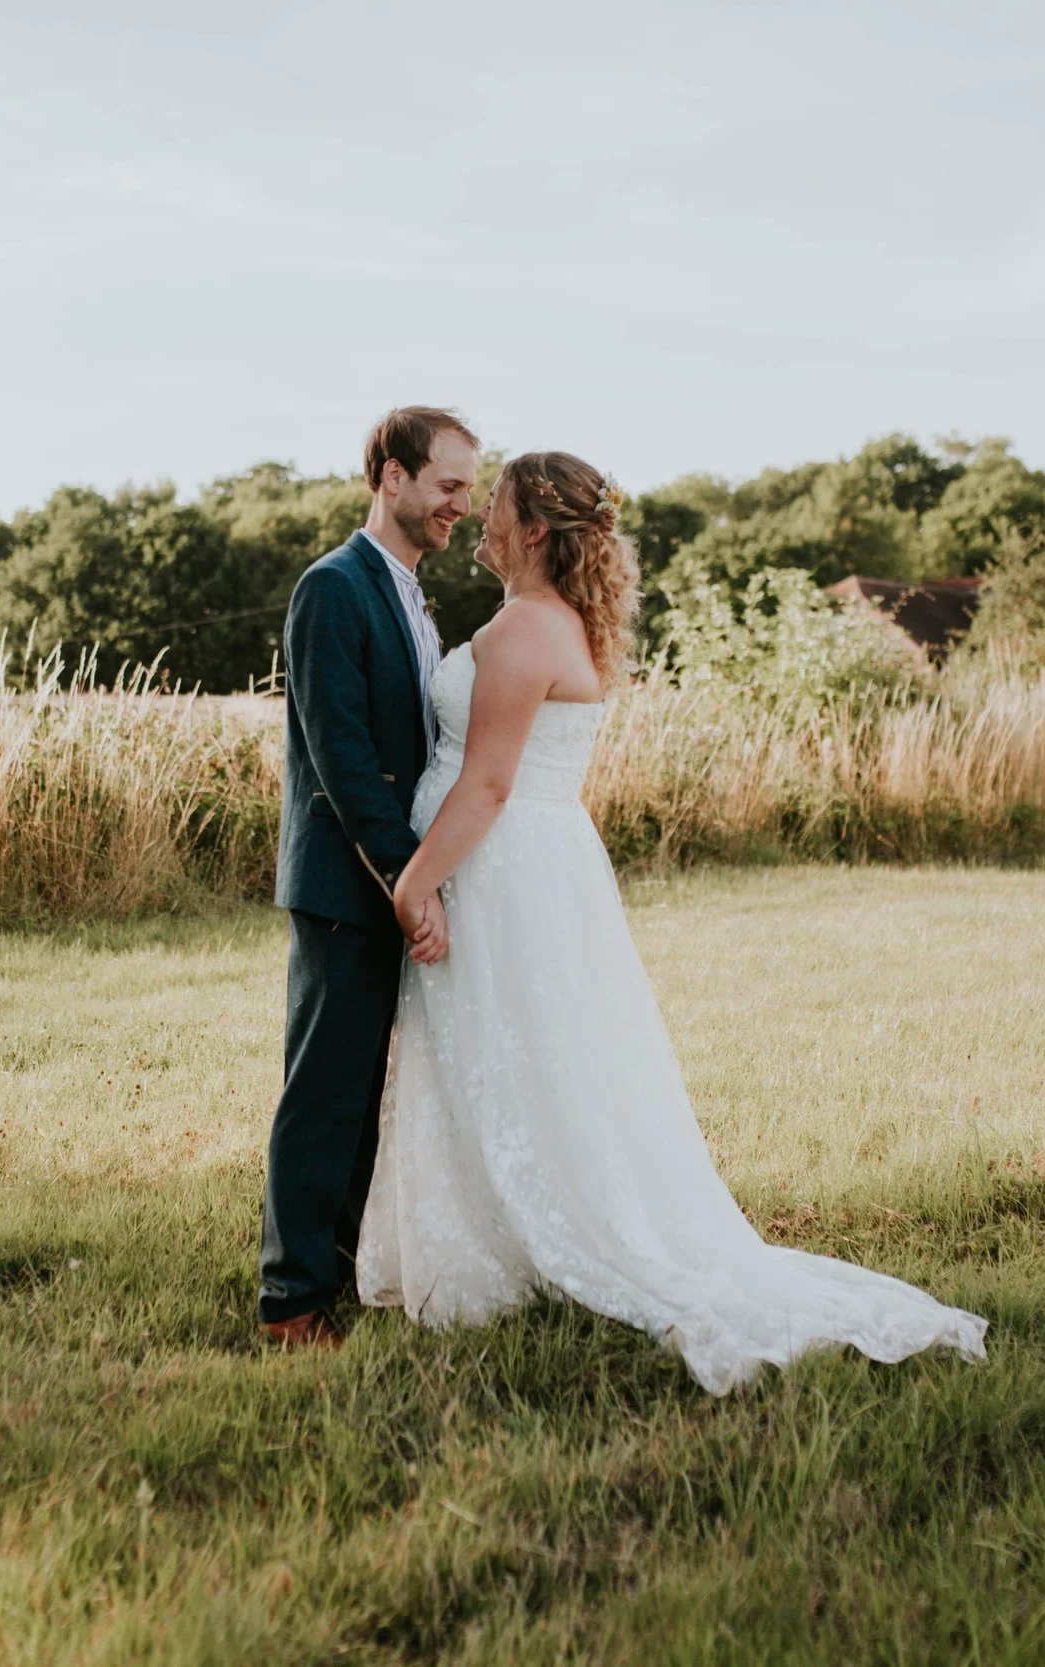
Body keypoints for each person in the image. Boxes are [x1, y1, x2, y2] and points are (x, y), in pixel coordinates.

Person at [358, 450, 989, 1393]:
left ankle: (520, 1251)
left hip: (497, 868)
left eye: (494, 504)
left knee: (508, 1052)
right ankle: (498, 1240)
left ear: (534, 528)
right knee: (516, 1057)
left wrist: (413, 886)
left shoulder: (527, 626)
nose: (480, 516)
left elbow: (487, 783)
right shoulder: (546, 619)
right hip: (523, 867)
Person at [258, 405, 480, 1347]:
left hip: (394, 884)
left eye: (468, 489)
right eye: (448, 485)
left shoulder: (409, 593)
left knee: (364, 1097)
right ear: (392, 476)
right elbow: (344, 762)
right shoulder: (333, 588)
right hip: (347, 887)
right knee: (324, 1094)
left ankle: (340, 1271)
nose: (461, 505)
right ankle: (290, 1300)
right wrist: (408, 878)